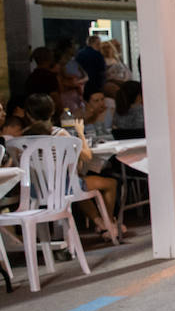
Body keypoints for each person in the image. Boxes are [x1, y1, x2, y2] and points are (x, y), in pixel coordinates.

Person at [22, 92, 122, 241]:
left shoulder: (22, 138)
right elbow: (86, 156)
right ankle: (109, 223)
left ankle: (99, 222)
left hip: (36, 192)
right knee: (109, 183)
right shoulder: (59, 133)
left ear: (28, 115)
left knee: (78, 182)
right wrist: (81, 133)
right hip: (64, 187)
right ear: (53, 111)